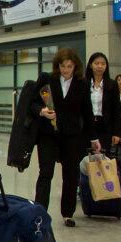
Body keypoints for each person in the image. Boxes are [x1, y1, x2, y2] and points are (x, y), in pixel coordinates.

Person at [32, 48, 101, 227]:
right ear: (57, 66)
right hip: (48, 134)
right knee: (45, 173)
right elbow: (32, 102)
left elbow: (87, 112)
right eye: (62, 66)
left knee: (71, 175)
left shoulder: (82, 84)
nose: (66, 70)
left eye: (69, 66)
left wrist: (94, 138)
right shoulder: (47, 80)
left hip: (72, 135)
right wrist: (42, 111)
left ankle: (68, 213)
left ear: (75, 66)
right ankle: (39, 213)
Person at [85, 52, 121, 152]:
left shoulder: (112, 84)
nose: (100, 66)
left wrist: (116, 133)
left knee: (103, 158)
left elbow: (117, 110)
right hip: (87, 125)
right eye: (96, 63)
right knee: (86, 159)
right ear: (90, 65)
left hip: (105, 126)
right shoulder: (83, 83)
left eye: (103, 64)